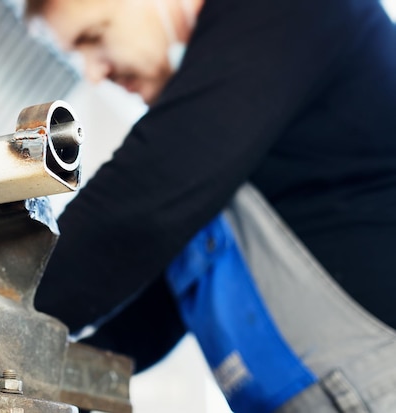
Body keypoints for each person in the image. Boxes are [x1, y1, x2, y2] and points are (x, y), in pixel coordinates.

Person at [25, 0, 396, 411]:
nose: (94, 73)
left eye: (95, 37)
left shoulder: (288, 12)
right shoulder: (242, 120)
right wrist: (34, 374)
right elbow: (155, 309)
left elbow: (142, 202)